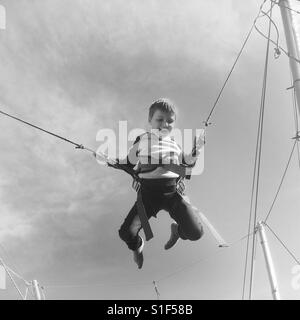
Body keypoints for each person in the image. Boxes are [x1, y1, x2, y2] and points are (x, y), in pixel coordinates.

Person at [101, 98, 205, 269]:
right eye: (160, 119)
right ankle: (137, 246)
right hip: (148, 195)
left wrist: (195, 151)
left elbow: (186, 165)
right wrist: (108, 160)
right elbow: (127, 162)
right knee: (126, 232)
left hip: (172, 193)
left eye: (170, 121)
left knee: (195, 233)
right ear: (150, 121)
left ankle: (177, 231)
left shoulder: (176, 145)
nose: (165, 124)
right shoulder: (142, 139)